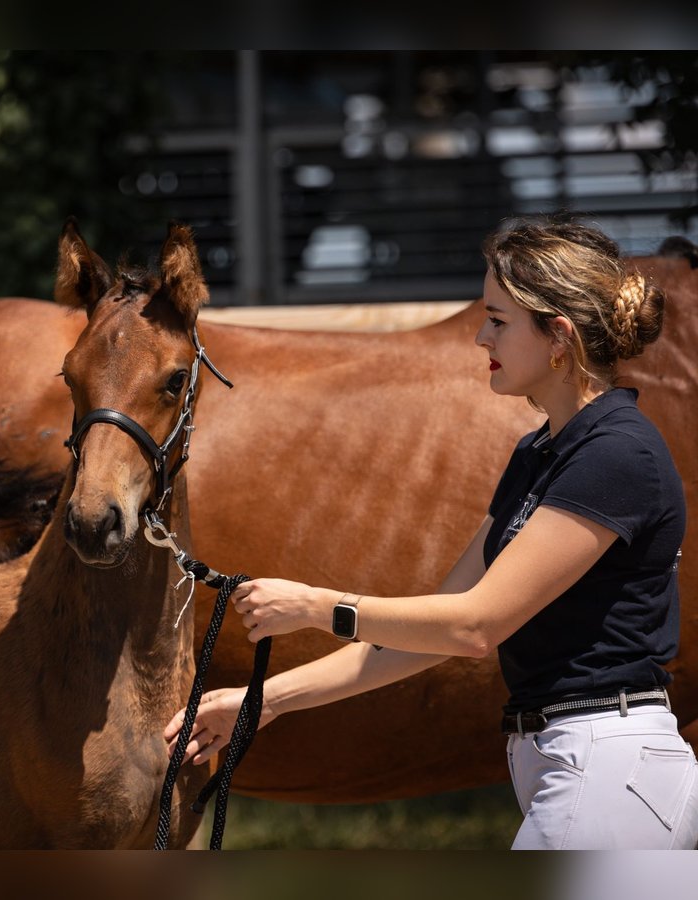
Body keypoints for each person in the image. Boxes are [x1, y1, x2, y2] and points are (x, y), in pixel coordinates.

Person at [165, 218, 698, 850]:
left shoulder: (614, 456)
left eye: (498, 320)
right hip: (572, 763)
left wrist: (313, 607)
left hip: (609, 767)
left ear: (558, 336)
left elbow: (475, 627)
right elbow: (432, 634)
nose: (479, 335)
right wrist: (264, 699)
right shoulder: (542, 453)